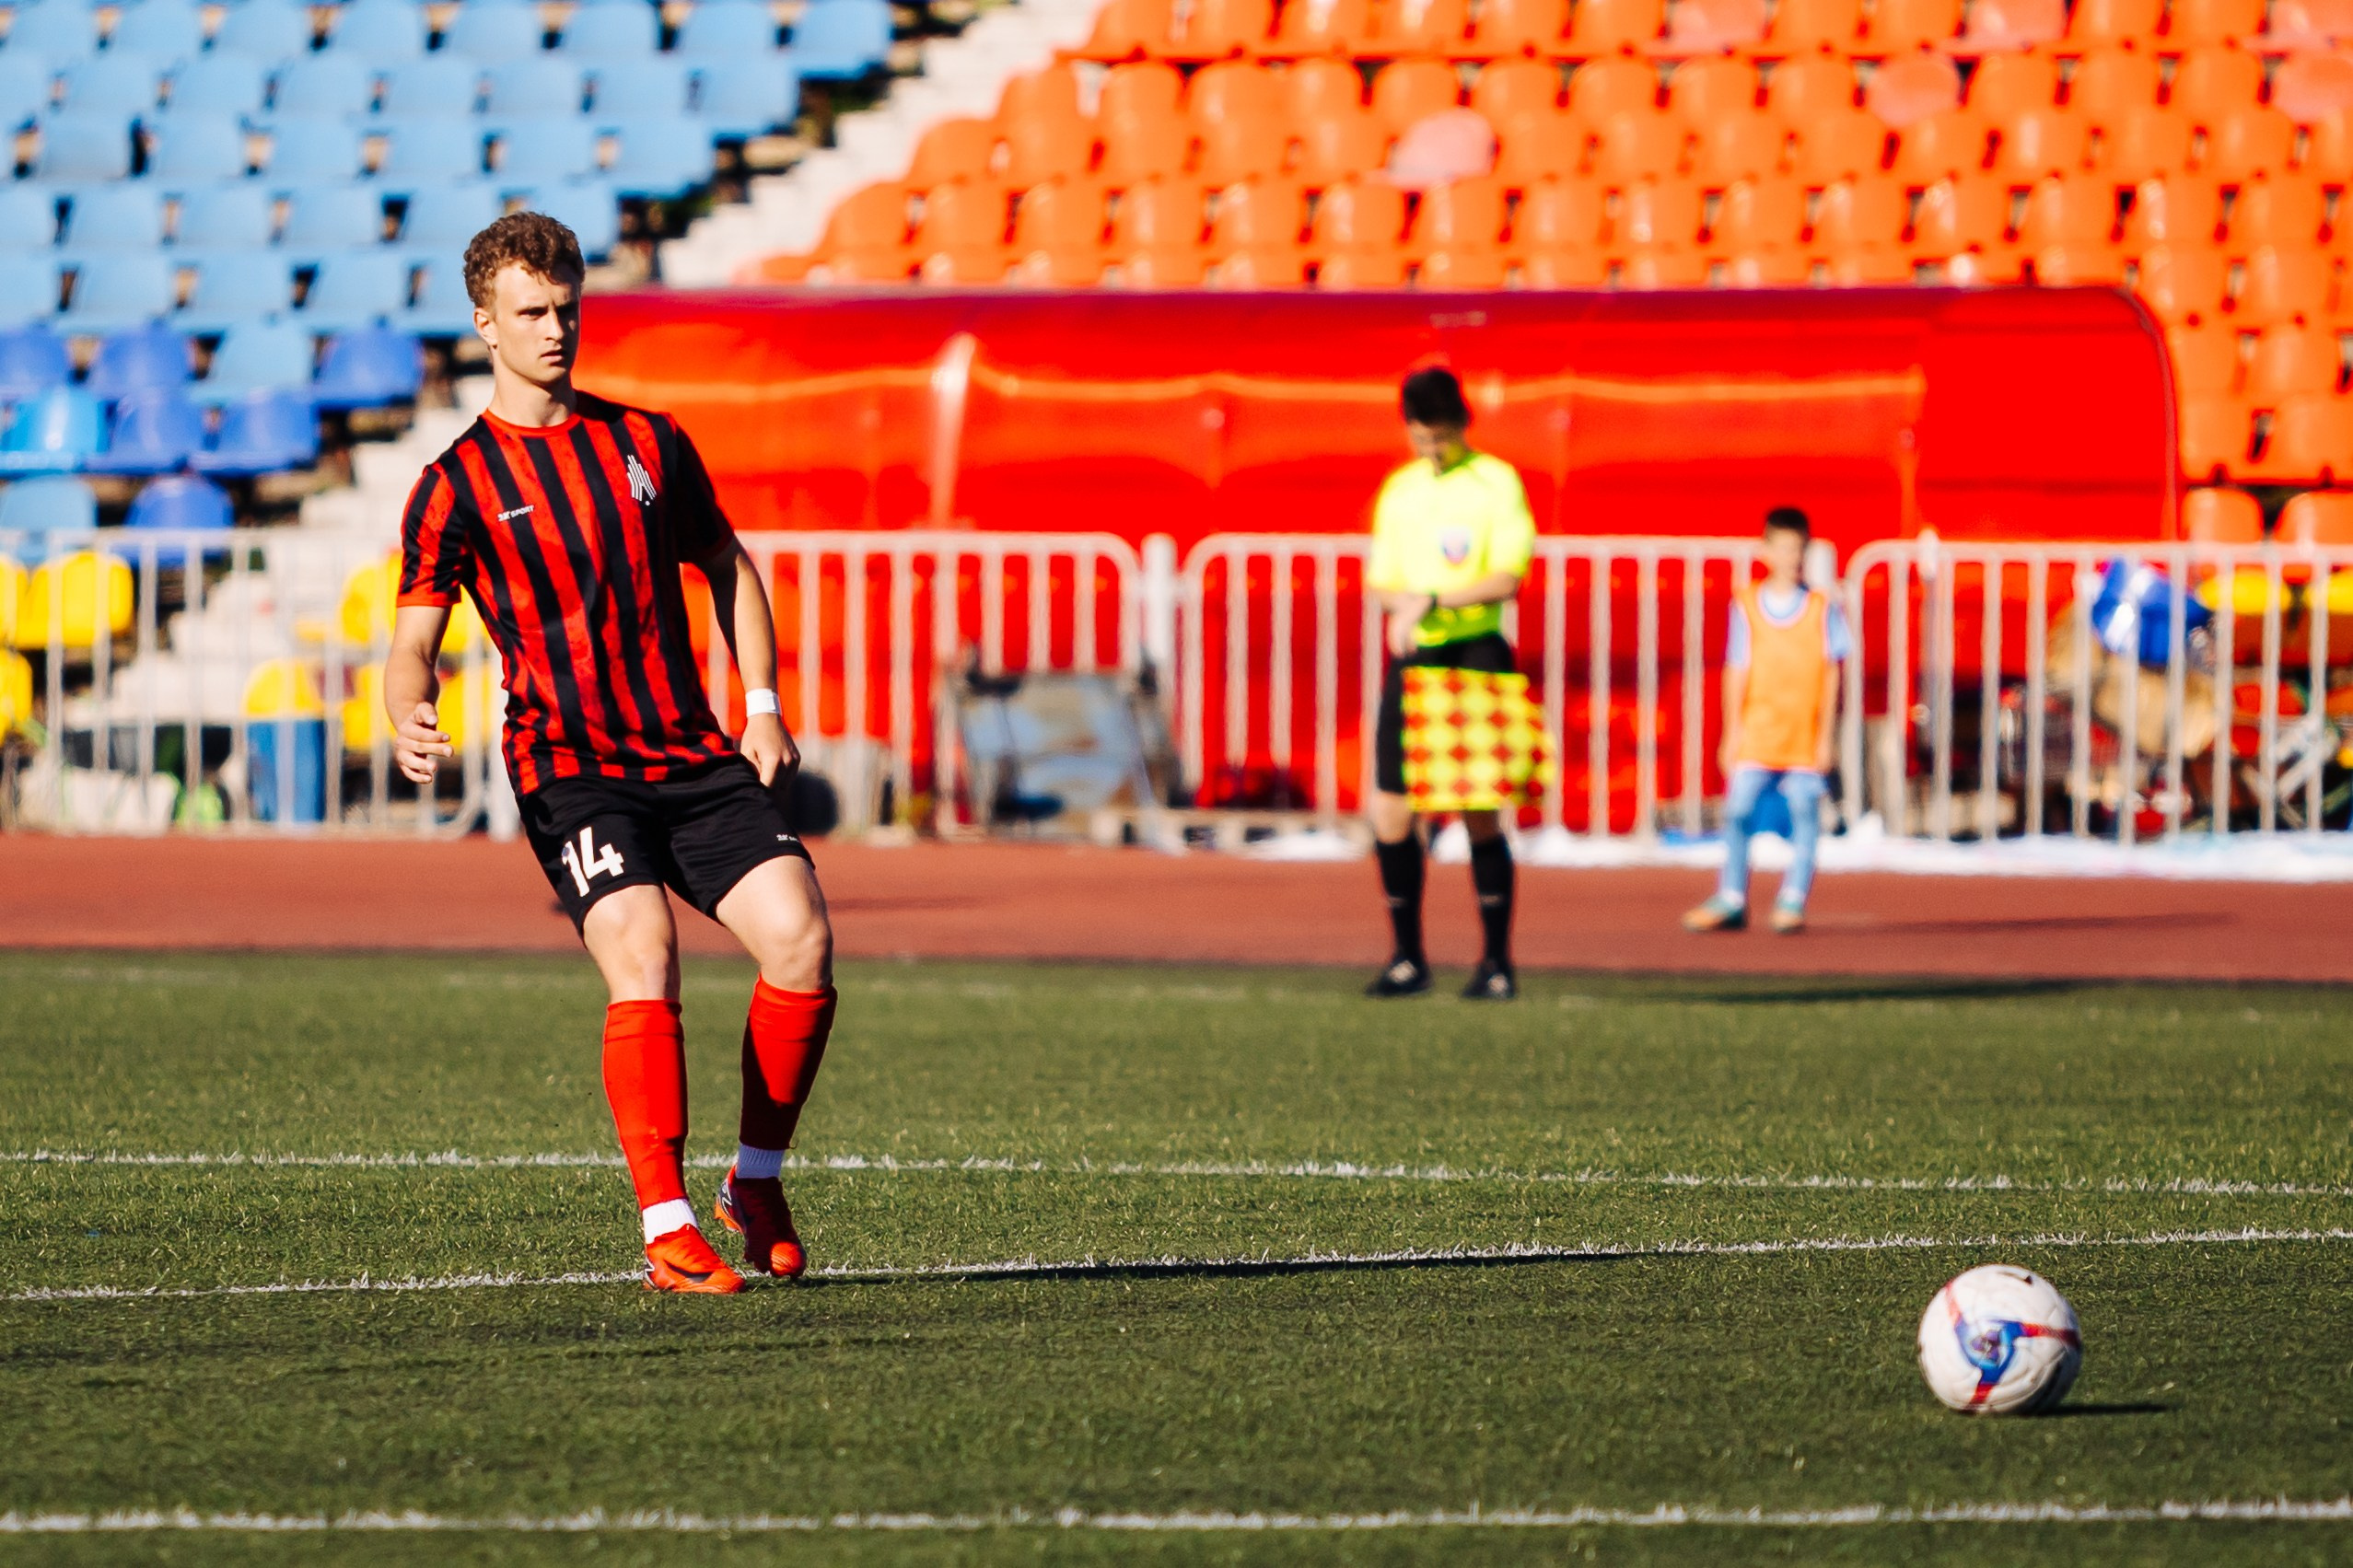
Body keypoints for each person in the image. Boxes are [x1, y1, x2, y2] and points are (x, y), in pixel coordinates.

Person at [385, 214, 835, 1295]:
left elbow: (727, 565)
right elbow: (410, 643)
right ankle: (666, 1225)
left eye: (567, 307)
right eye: (531, 312)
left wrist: (762, 703)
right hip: (569, 765)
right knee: (644, 947)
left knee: (802, 940)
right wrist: (408, 709)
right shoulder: (453, 483)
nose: (555, 329)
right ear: (485, 325)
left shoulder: (646, 442)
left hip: (690, 753)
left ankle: (754, 1180)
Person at [1363, 366, 1536, 1001]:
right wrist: (1405, 605)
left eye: (1441, 437)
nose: (1432, 449)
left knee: (1477, 806)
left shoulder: (1496, 481)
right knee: (1390, 806)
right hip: (1418, 658)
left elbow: (1506, 578)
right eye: (1421, 438)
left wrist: (1433, 599)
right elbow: (1382, 580)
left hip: (1474, 652)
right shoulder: (1401, 490)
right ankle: (1408, 957)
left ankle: (1496, 962)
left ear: (1462, 425)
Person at [1684, 506, 1850, 936]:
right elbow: (1736, 668)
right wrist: (1731, 731)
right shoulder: (1746, 604)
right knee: (1738, 809)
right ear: (1766, 551)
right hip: (1759, 729)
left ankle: (1793, 897)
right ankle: (1731, 895)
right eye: (1784, 549)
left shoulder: (1821, 607)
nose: (1791, 558)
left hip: (1802, 733)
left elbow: (1832, 671)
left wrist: (1826, 735)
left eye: (1798, 549)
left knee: (1804, 812)